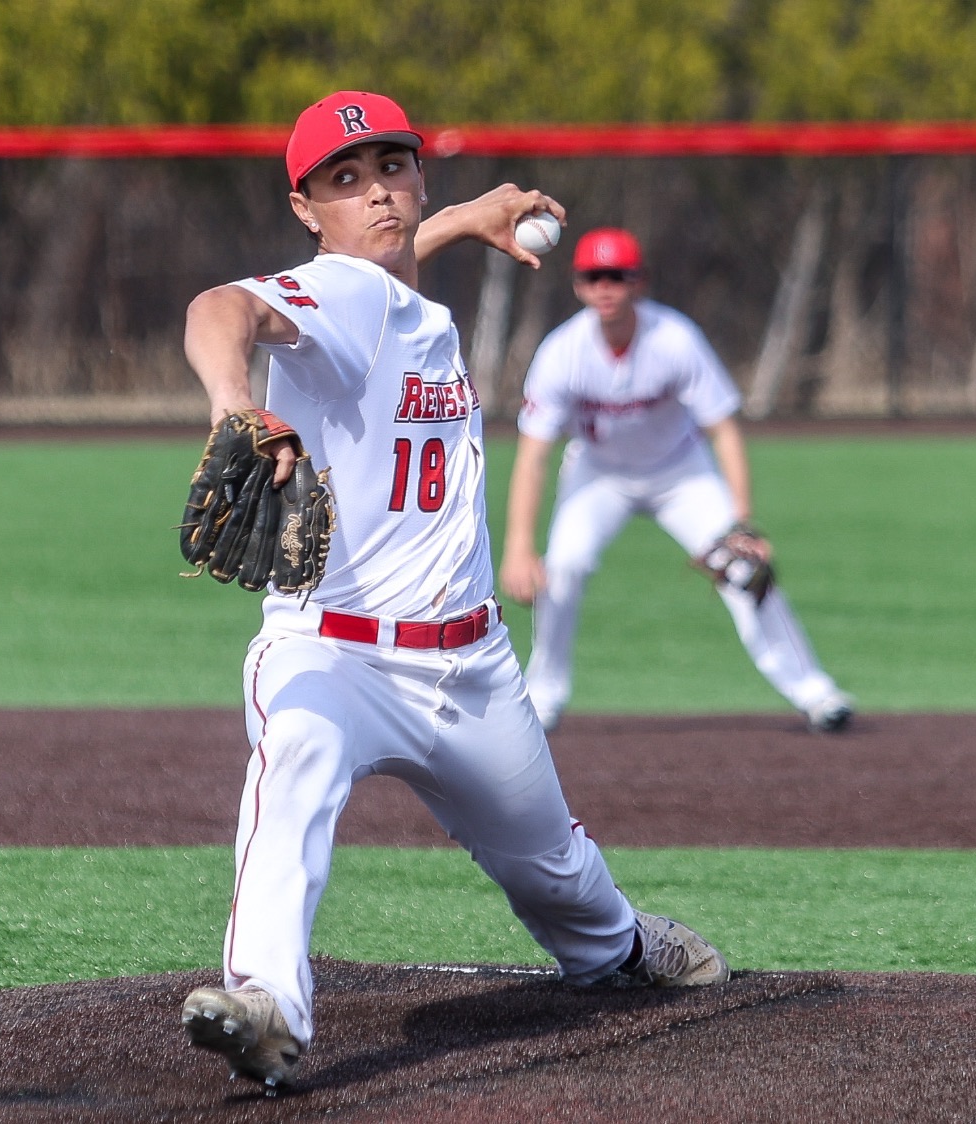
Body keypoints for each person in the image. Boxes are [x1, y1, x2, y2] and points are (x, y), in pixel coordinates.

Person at [175, 92, 729, 1095]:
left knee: (565, 889)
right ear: (305, 209)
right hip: (332, 653)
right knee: (292, 755)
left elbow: (386, 266)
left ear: (417, 176)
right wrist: (231, 398)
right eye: (343, 180)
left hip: (468, 667)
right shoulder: (331, 294)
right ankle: (264, 1005)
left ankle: (617, 940)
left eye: (390, 167)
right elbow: (221, 309)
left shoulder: (401, 301)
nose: (375, 191)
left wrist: (464, 220)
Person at [500, 227, 855, 734]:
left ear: (639, 282)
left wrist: (741, 521)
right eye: (593, 276)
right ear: (578, 285)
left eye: (618, 276)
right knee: (566, 566)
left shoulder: (674, 338)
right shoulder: (562, 353)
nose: (606, 286)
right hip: (599, 475)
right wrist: (518, 545)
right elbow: (533, 454)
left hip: (680, 473)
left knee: (742, 570)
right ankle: (544, 695)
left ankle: (814, 692)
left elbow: (724, 429)